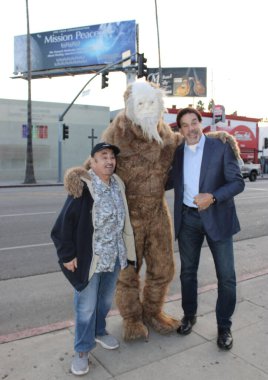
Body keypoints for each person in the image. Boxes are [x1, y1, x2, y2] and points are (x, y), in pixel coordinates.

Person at [51, 142, 136, 376]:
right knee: (85, 307)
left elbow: (124, 221)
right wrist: (67, 255)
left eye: (112, 157)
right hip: (91, 260)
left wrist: (128, 252)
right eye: (103, 156)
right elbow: (61, 226)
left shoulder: (118, 184)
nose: (109, 161)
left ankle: (99, 332)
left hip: (114, 255)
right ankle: (81, 350)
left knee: (105, 301)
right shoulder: (84, 186)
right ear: (93, 161)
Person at [166, 107, 245, 350]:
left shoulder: (220, 147)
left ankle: (224, 327)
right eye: (185, 125)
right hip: (188, 220)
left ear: (202, 123)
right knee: (187, 273)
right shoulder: (177, 153)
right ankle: (189, 316)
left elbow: (237, 182)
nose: (191, 128)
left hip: (217, 217)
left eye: (194, 122)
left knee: (227, 277)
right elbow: (166, 180)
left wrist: (212, 196)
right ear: (180, 130)